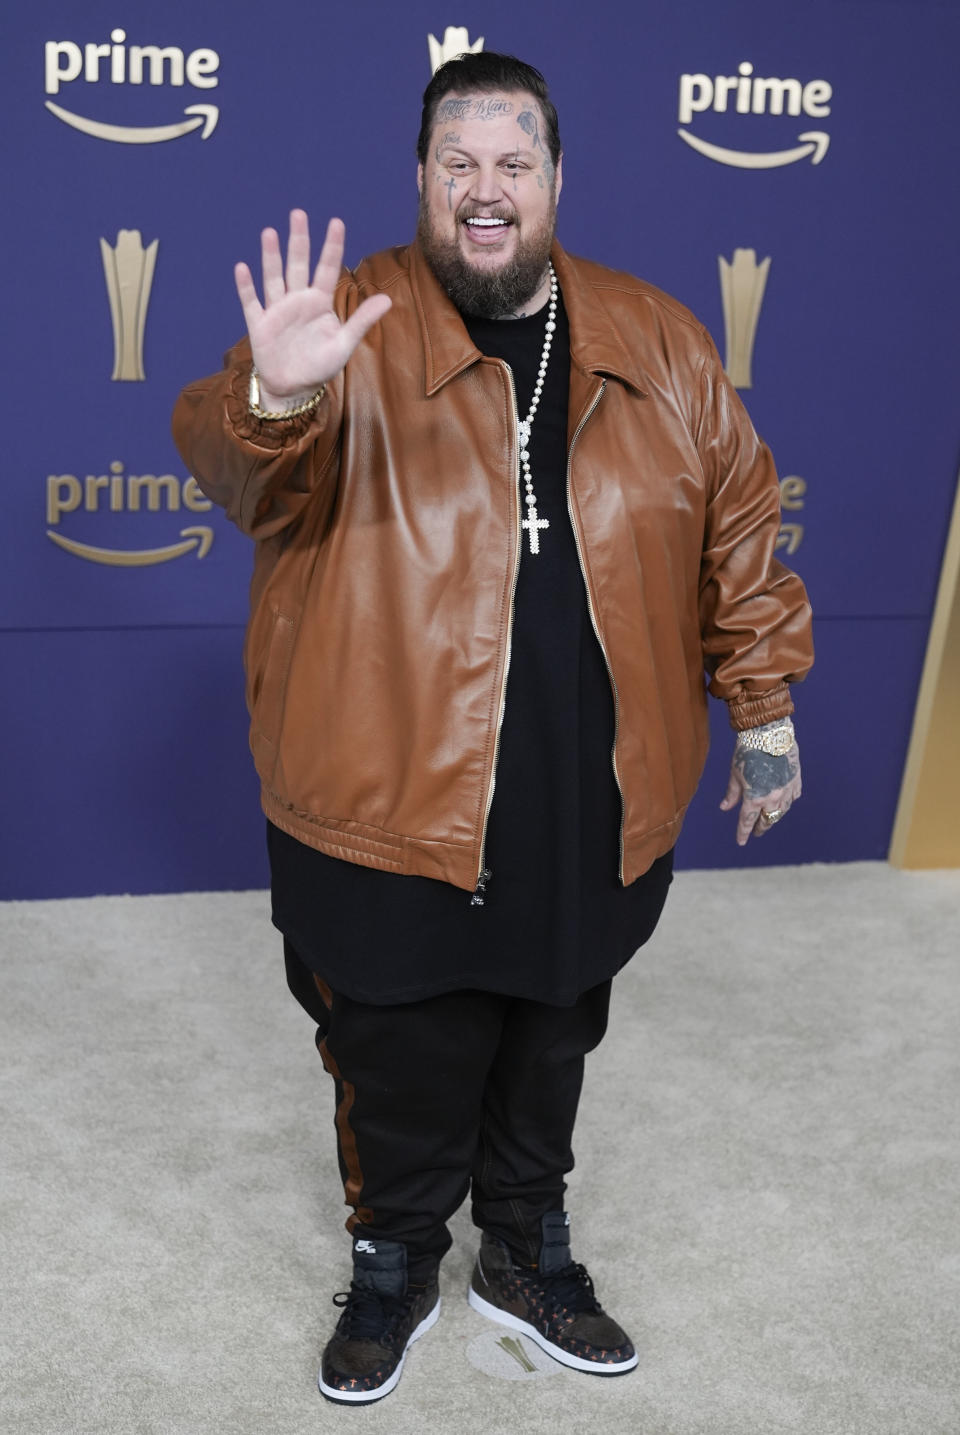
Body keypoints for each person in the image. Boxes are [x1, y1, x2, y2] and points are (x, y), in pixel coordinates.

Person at [173, 51, 812, 1405]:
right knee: (396, 1051)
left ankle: (524, 1249)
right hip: (386, 787)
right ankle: (396, 1255)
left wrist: (763, 706)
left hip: (592, 790)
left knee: (550, 1034)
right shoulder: (344, 321)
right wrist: (275, 397)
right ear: (420, 181)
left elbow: (739, 524)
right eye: (457, 161)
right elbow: (237, 470)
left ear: (555, 180)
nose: (485, 188)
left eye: (512, 162)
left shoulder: (658, 337)